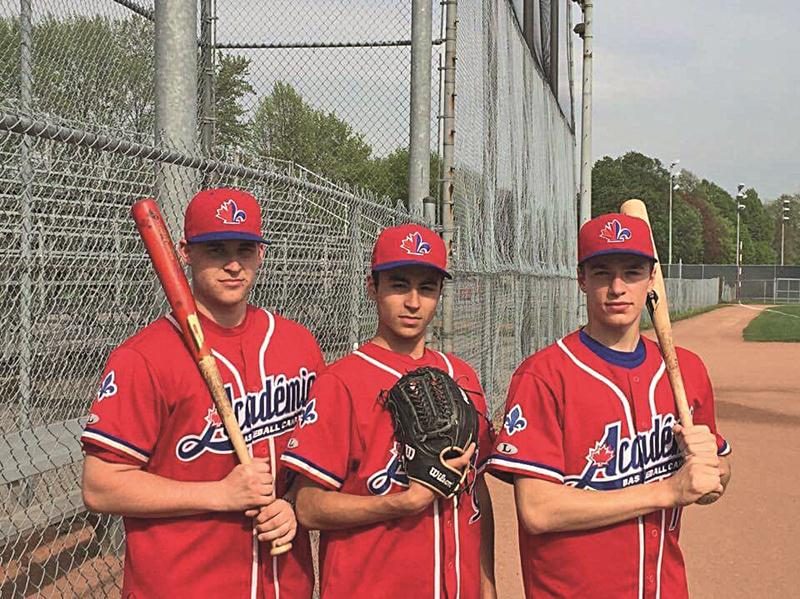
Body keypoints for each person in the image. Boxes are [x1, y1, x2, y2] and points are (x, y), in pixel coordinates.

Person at [81, 188, 324, 598]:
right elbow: (101, 485)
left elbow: (318, 456)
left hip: (285, 582)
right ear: (185, 252)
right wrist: (220, 493)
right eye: (215, 250)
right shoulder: (144, 357)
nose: (233, 265)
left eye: (245, 249)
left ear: (261, 254)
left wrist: (294, 503)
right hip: (184, 583)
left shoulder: (298, 344)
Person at [487, 213, 732, 598]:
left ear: (652, 279)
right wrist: (667, 490)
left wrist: (714, 469)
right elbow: (538, 510)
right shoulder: (545, 376)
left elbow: (710, 480)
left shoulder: (685, 372)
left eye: (632, 272)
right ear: (582, 279)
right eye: (602, 273)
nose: (617, 288)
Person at [280, 224, 497, 599]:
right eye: (399, 285)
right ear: (372, 288)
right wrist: (402, 502)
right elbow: (307, 506)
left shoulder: (463, 376)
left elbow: (476, 488)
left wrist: (487, 584)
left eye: (426, 288)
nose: (413, 302)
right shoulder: (341, 382)